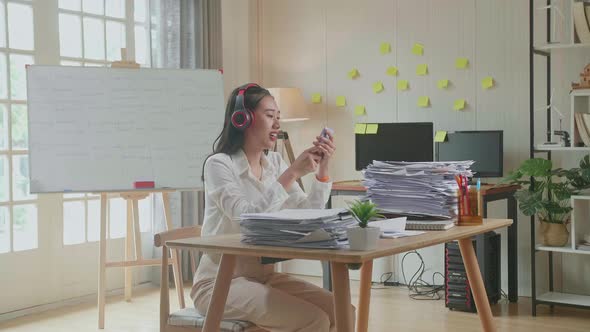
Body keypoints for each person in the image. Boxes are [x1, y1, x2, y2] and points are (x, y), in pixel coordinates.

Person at [191, 83, 350, 331]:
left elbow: (307, 212)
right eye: (269, 116)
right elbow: (246, 217)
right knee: (314, 320)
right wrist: (292, 172)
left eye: (278, 117)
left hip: (264, 278)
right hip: (219, 284)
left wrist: (322, 170)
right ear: (242, 119)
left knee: (342, 311)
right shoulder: (218, 165)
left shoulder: (275, 162)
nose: (277, 124)